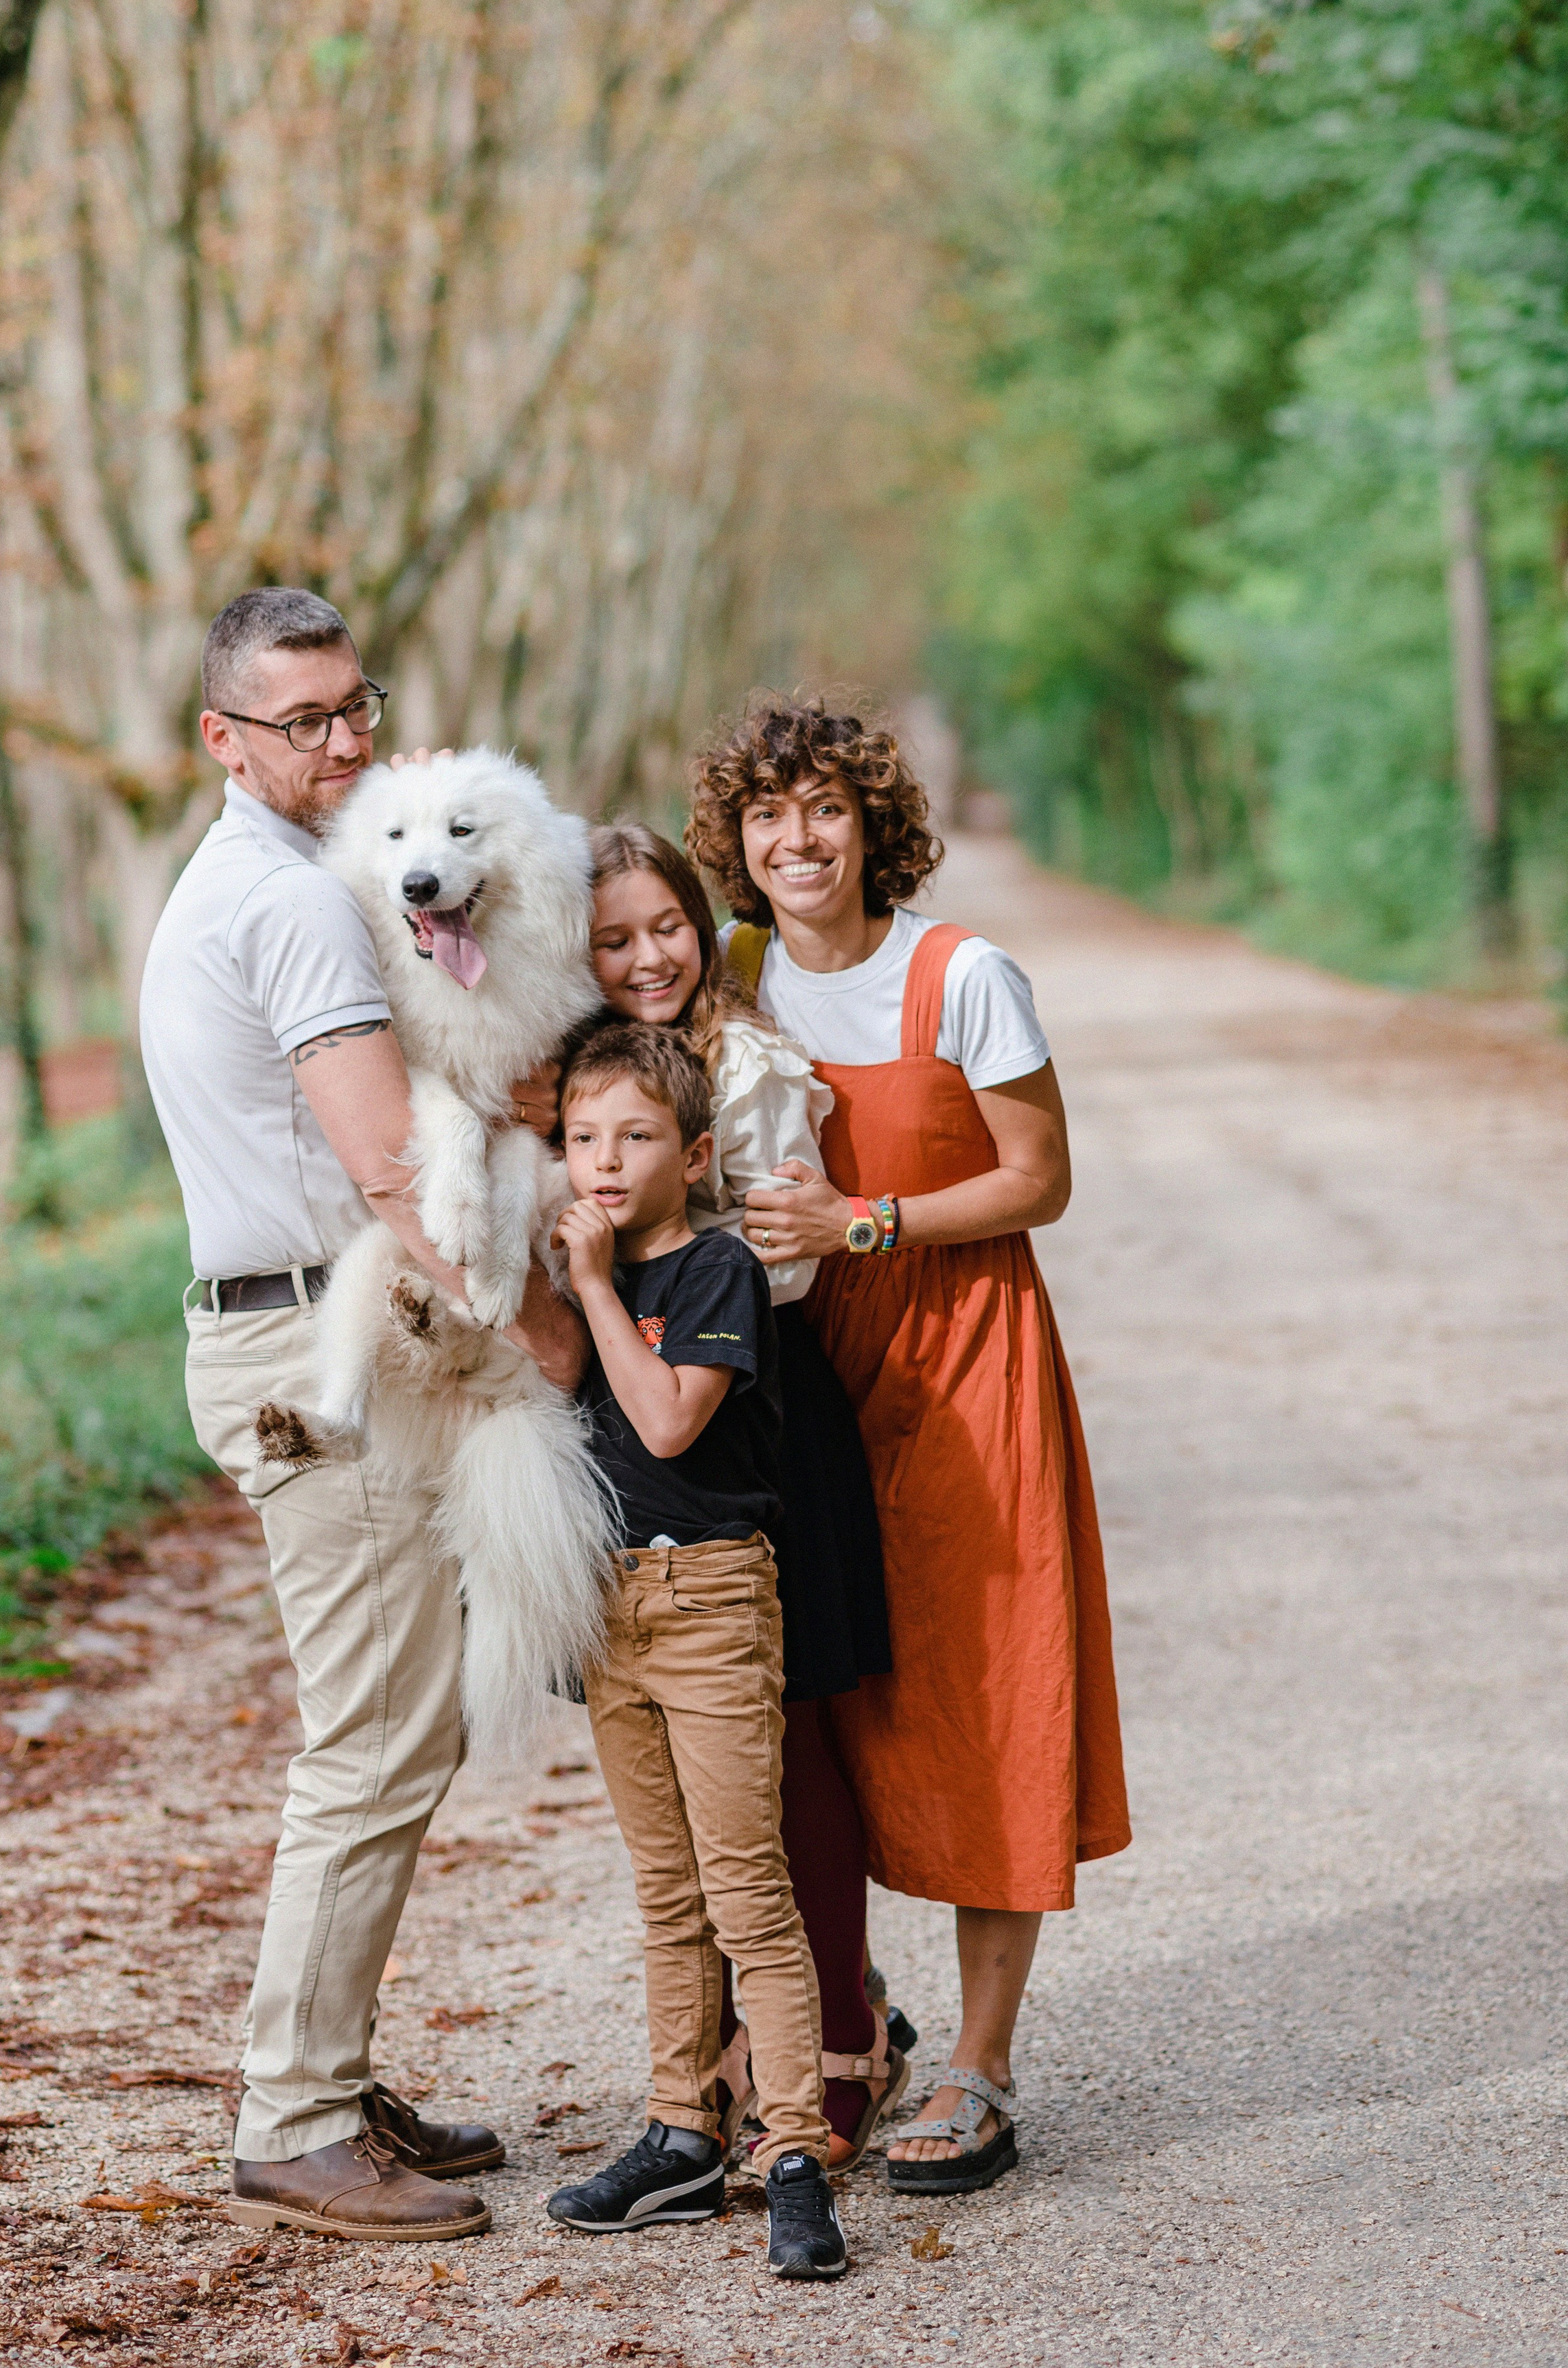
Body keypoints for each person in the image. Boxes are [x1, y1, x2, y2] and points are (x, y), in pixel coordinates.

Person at [139, 587, 583, 2244]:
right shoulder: (297, 908)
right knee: (377, 1738)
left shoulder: (267, 878)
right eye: (302, 720)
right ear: (223, 738)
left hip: (294, 1332)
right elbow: (396, 1167)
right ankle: (297, 2119)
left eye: (355, 707)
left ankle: (329, 2070)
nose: (342, 741)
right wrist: (555, 1340)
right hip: (314, 1357)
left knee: (393, 1725)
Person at [685, 694, 1132, 2199]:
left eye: (825, 808)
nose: (796, 840)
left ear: (874, 822)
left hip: (961, 1357)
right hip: (794, 1376)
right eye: (767, 815)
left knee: (987, 1687)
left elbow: (1039, 1177)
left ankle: (981, 2066)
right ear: (737, 841)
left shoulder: (962, 975)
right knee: (816, 1702)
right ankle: (845, 2024)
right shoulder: (728, 972)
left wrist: (864, 1221)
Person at [585, 825, 906, 2171]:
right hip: (635, 1443)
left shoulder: (749, 1067)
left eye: (666, 925)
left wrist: (625, 1242)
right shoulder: (590, 1075)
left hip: (757, 1415)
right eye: (612, 939)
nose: (646, 958)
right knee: (687, 1790)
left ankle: (840, 2040)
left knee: (790, 1743)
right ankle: (719, 2061)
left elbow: (777, 1265)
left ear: (702, 924)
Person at [543, 1021, 847, 2282]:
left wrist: (596, 1287)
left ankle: (796, 2153)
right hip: (608, 1604)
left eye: (636, 1137)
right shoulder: (576, 1273)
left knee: (746, 1893)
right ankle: (681, 2132)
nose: (606, 1162)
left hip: (710, 1597)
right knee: (667, 1897)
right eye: (582, 1140)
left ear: (698, 1153)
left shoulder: (716, 1268)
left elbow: (669, 1423)